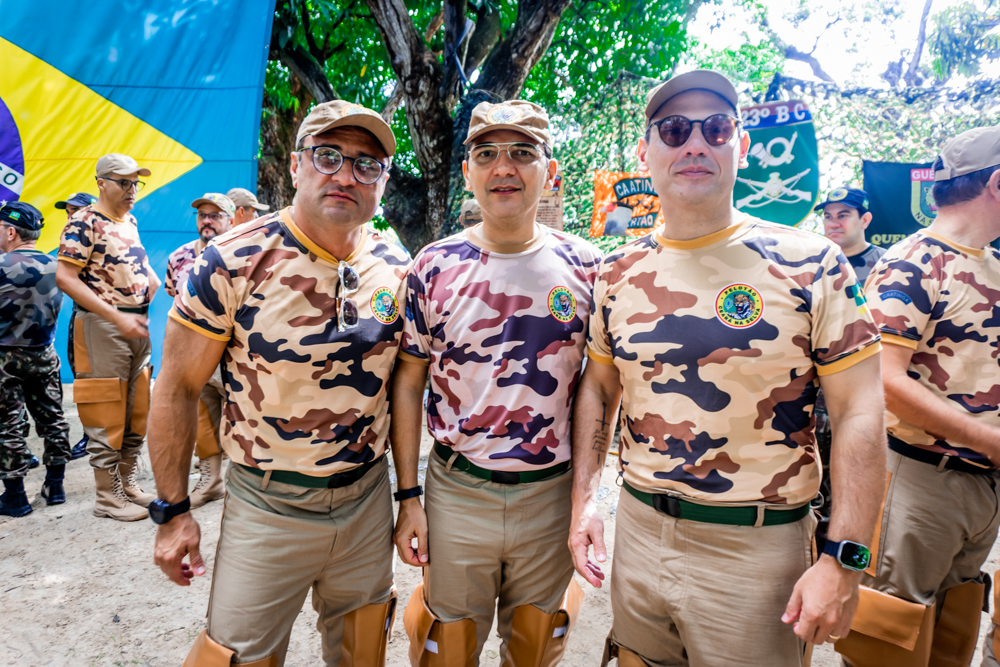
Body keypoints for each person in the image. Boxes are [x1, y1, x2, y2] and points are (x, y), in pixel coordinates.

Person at [568, 70, 887, 667]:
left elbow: (860, 411)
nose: (695, 144)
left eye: (715, 129)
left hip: (758, 547)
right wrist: (585, 501)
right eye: (674, 130)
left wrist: (845, 559)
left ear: (740, 146)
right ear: (646, 152)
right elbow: (600, 388)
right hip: (640, 530)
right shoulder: (616, 271)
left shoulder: (812, 263)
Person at [149, 100, 409, 666]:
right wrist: (172, 512)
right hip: (268, 506)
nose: (346, 176)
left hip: (366, 502)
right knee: (233, 656)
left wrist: (409, 498)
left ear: (383, 182)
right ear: (295, 166)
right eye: (328, 156)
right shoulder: (231, 261)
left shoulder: (396, 265)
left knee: (364, 649)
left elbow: (407, 385)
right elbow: (175, 388)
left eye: (367, 165)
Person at [394, 100, 600, 666]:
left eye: (521, 153)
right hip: (458, 493)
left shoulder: (589, 268)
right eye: (486, 154)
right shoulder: (432, 267)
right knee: (446, 646)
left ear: (549, 171)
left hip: (550, 496)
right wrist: (408, 496)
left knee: (536, 643)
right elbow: (408, 382)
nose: (503, 167)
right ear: (468, 172)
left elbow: (601, 386)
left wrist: (586, 498)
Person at [864, 126, 1000, 666]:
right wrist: (988, 439)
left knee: (954, 624)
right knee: (889, 637)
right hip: (921, 479)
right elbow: (883, 380)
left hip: (981, 484)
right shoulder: (914, 262)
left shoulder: (991, 264)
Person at [55, 153, 161, 522]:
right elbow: (65, 277)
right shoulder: (84, 221)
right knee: (106, 410)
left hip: (136, 324)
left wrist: (151, 282)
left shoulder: (129, 220)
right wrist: (116, 315)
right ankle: (106, 496)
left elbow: (135, 262)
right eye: (124, 183)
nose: (132, 190)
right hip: (103, 326)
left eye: (136, 183)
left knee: (137, 409)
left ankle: (127, 484)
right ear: (102, 183)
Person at [811, 186, 887, 537]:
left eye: (844, 215)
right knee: (814, 494)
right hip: (813, 403)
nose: (834, 222)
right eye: (828, 216)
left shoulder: (886, 266)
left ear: (865, 219)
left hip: (862, 399)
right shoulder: (814, 263)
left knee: (854, 494)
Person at [163, 193, 236, 509]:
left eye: (215, 215)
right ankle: (210, 481)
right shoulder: (178, 256)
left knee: (242, 421)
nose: (207, 221)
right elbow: (173, 296)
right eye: (202, 215)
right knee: (204, 419)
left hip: (235, 356)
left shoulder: (243, 255)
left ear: (231, 220)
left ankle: (242, 487)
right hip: (194, 355)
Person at [0, 202, 72, 517]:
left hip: (4, 358)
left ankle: (15, 497)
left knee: (8, 425)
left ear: (11, 232)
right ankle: (55, 487)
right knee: (53, 419)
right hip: (44, 353)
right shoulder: (58, 266)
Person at [55, 192, 98, 461]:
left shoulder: (104, 238)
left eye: (76, 210)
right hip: (80, 316)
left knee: (103, 378)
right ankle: (90, 434)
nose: (70, 216)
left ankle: (108, 435)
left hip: (102, 320)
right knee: (83, 376)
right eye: (68, 211)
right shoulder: (71, 239)